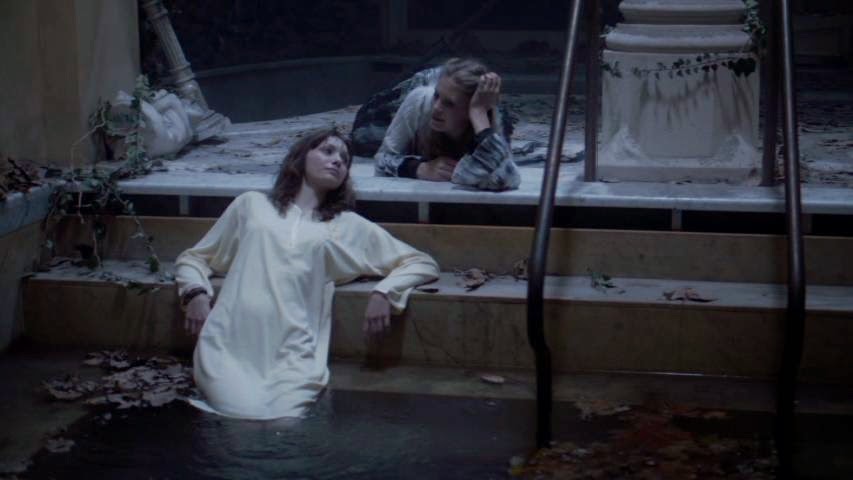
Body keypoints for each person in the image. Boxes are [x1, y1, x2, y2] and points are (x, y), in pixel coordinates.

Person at [175, 128, 439, 420]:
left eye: (344, 159)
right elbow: (195, 258)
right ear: (300, 157)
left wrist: (385, 292)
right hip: (229, 344)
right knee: (235, 419)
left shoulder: (347, 225)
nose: (337, 161)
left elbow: (420, 262)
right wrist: (195, 293)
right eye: (327, 151)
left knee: (285, 424)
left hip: (294, 352)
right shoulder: (251, 205)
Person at [356, 58, 520, 191]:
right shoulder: (421, 101)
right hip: (398, 108)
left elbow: (508, 179)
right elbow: (381, 161)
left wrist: (478, 114)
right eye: (437, 96)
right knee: (364, 138)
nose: (437, 107)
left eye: (449, 104)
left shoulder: (486, 116)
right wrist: (419, 168)